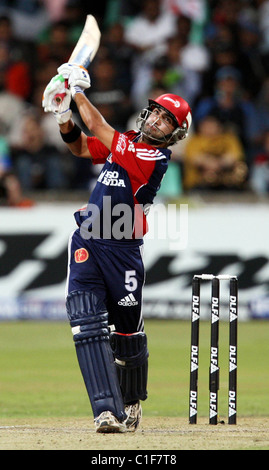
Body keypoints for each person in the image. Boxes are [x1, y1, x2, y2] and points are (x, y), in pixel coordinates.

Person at [42, 65, 192, 433]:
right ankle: (106, 412)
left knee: (127, 335)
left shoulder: (153, 159)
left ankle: (130, 400)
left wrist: (76, 91)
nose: (157, 120)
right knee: (86, 323)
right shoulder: (125, 141)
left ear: (175, 134)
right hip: (89, 240)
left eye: (166, 120)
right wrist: (63, 114)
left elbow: (96, 127)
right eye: (156, 111)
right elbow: (80, 145)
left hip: (123, 251)